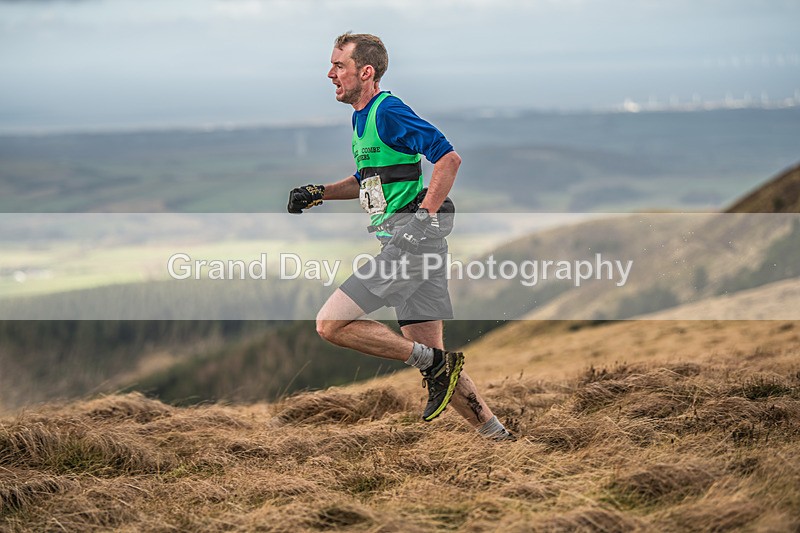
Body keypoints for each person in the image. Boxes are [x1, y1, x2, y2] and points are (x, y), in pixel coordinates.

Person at [287, 32, 515, 441]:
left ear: (366, 71)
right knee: (438, 364)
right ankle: (499, 438)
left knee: (330, 325)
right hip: (415, 245)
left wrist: (423, 219)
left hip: (411, 243)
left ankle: (435, 365)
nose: (330, 73)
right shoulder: (363, 118)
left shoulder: (387, 110)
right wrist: (320, 192)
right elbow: (367, 181)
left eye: (339, 65)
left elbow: (448, 158)